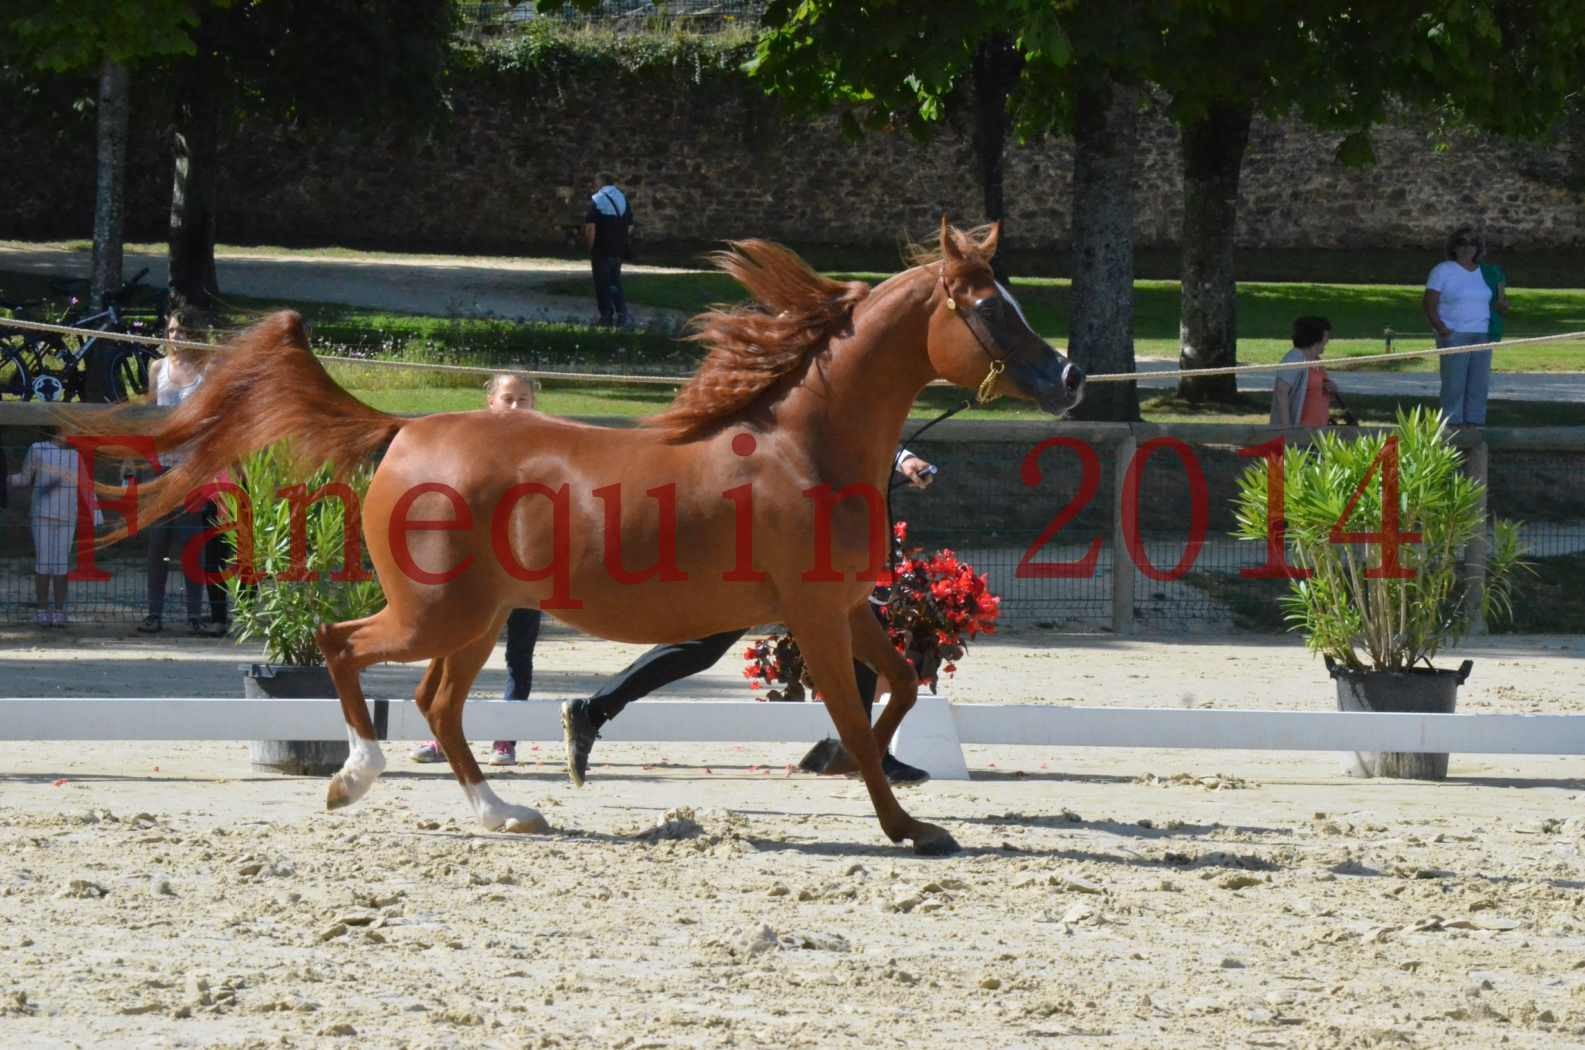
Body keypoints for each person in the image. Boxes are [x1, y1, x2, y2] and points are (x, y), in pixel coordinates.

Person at [560, 449, 940, 788]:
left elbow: (852, 426)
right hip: (767, 538)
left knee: (860, 632)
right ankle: (594, 711)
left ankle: (863, 753)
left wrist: (901, 458)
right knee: (701, 648)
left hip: (812, 540)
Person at [412, 372, 544, 767]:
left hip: (529, 566)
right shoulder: (469, 441)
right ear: (491, 401)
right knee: (454, 648)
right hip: (475, 567)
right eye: (509, 398)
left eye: (524, 398)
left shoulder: (548, 445)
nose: (517, 406)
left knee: (520, 655)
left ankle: (506, 739)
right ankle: (442, 734)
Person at [137, 309, 219, 635]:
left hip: (192, 470)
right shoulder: (157, 367)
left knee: (192, 545)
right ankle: (153, 614)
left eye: (183, 331)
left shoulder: (207, 369)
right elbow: (147, 417)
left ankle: (193, 616)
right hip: (160, 467)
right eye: (172, 331)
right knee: (158, 543)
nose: (176, 337)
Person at [7, 428, 101, 626]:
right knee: (43, 563)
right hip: (41, 514)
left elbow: (85, 485)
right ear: (54, 430)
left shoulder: (75, 455)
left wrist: (97, 515)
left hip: (67, 516)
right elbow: (25, 478)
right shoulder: (37, 449)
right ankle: (42, 610)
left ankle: (59, 611)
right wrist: (5, 480)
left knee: (61, 564)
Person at [1423, 226, 1497, 427]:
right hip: (1454, 334)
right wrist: (1442, 329)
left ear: (1478, 248)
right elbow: (1429, 303)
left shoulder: (1486, 272)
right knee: (1454, 385)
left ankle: (1475, 425)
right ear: (1454, 247)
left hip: (1482, 334)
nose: (1467, 247)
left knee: (1478, 384)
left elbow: (1494, 301)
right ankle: (1452, 426)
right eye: (1462, 242)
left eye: (1472, 243)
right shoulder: (1443, 270)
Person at [1269, 315, 1341, 427]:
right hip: (1300, 433)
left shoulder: (1317, 361)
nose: (1328, 340)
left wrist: (1331, 387)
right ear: (1315, 337)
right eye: (1326, 336)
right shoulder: (1295, 358)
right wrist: (1287, 429)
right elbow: (1281, 391)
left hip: (1318, 430)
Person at [583, 171, 634, 327]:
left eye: (596, 182)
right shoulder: (623, 199)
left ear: (600, 182)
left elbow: (590, 228)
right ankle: (621, 313)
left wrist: (589, 246)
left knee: (602, 282)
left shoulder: (597, 200)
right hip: (618, 249)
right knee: (615, 281)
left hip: (601, 248)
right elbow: (630, 226)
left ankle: (606, 316)